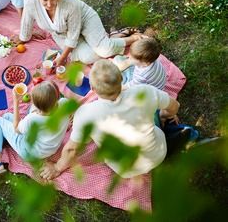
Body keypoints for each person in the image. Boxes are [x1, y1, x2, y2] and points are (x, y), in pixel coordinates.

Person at [39, 60, 180, 180]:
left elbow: (71, 149)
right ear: (122, 78)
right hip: (158, 153)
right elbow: (174, 106)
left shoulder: (86, 114)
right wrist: (164, 115)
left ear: (92, 88)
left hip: (126, 169)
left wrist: (57, 168)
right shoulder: (145, 91)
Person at [17, 0, 143, 66]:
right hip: (61, 33)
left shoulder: (70, 3)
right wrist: (23, 38)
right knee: (89, 57)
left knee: (105, 50)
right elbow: (26, 23)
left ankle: (133, 38)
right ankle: (112, 37)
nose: (49, 4)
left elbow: (73, 35)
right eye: (45, 0)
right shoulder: (30, 1)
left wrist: (64, 56)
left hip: (85, 20)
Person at [0, 81, 70, 179]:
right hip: (49, 149)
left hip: (29, 151)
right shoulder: (64, 104)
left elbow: (16, 129)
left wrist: (16, 101)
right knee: (7, 117)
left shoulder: (33, 119)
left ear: (37, 108)